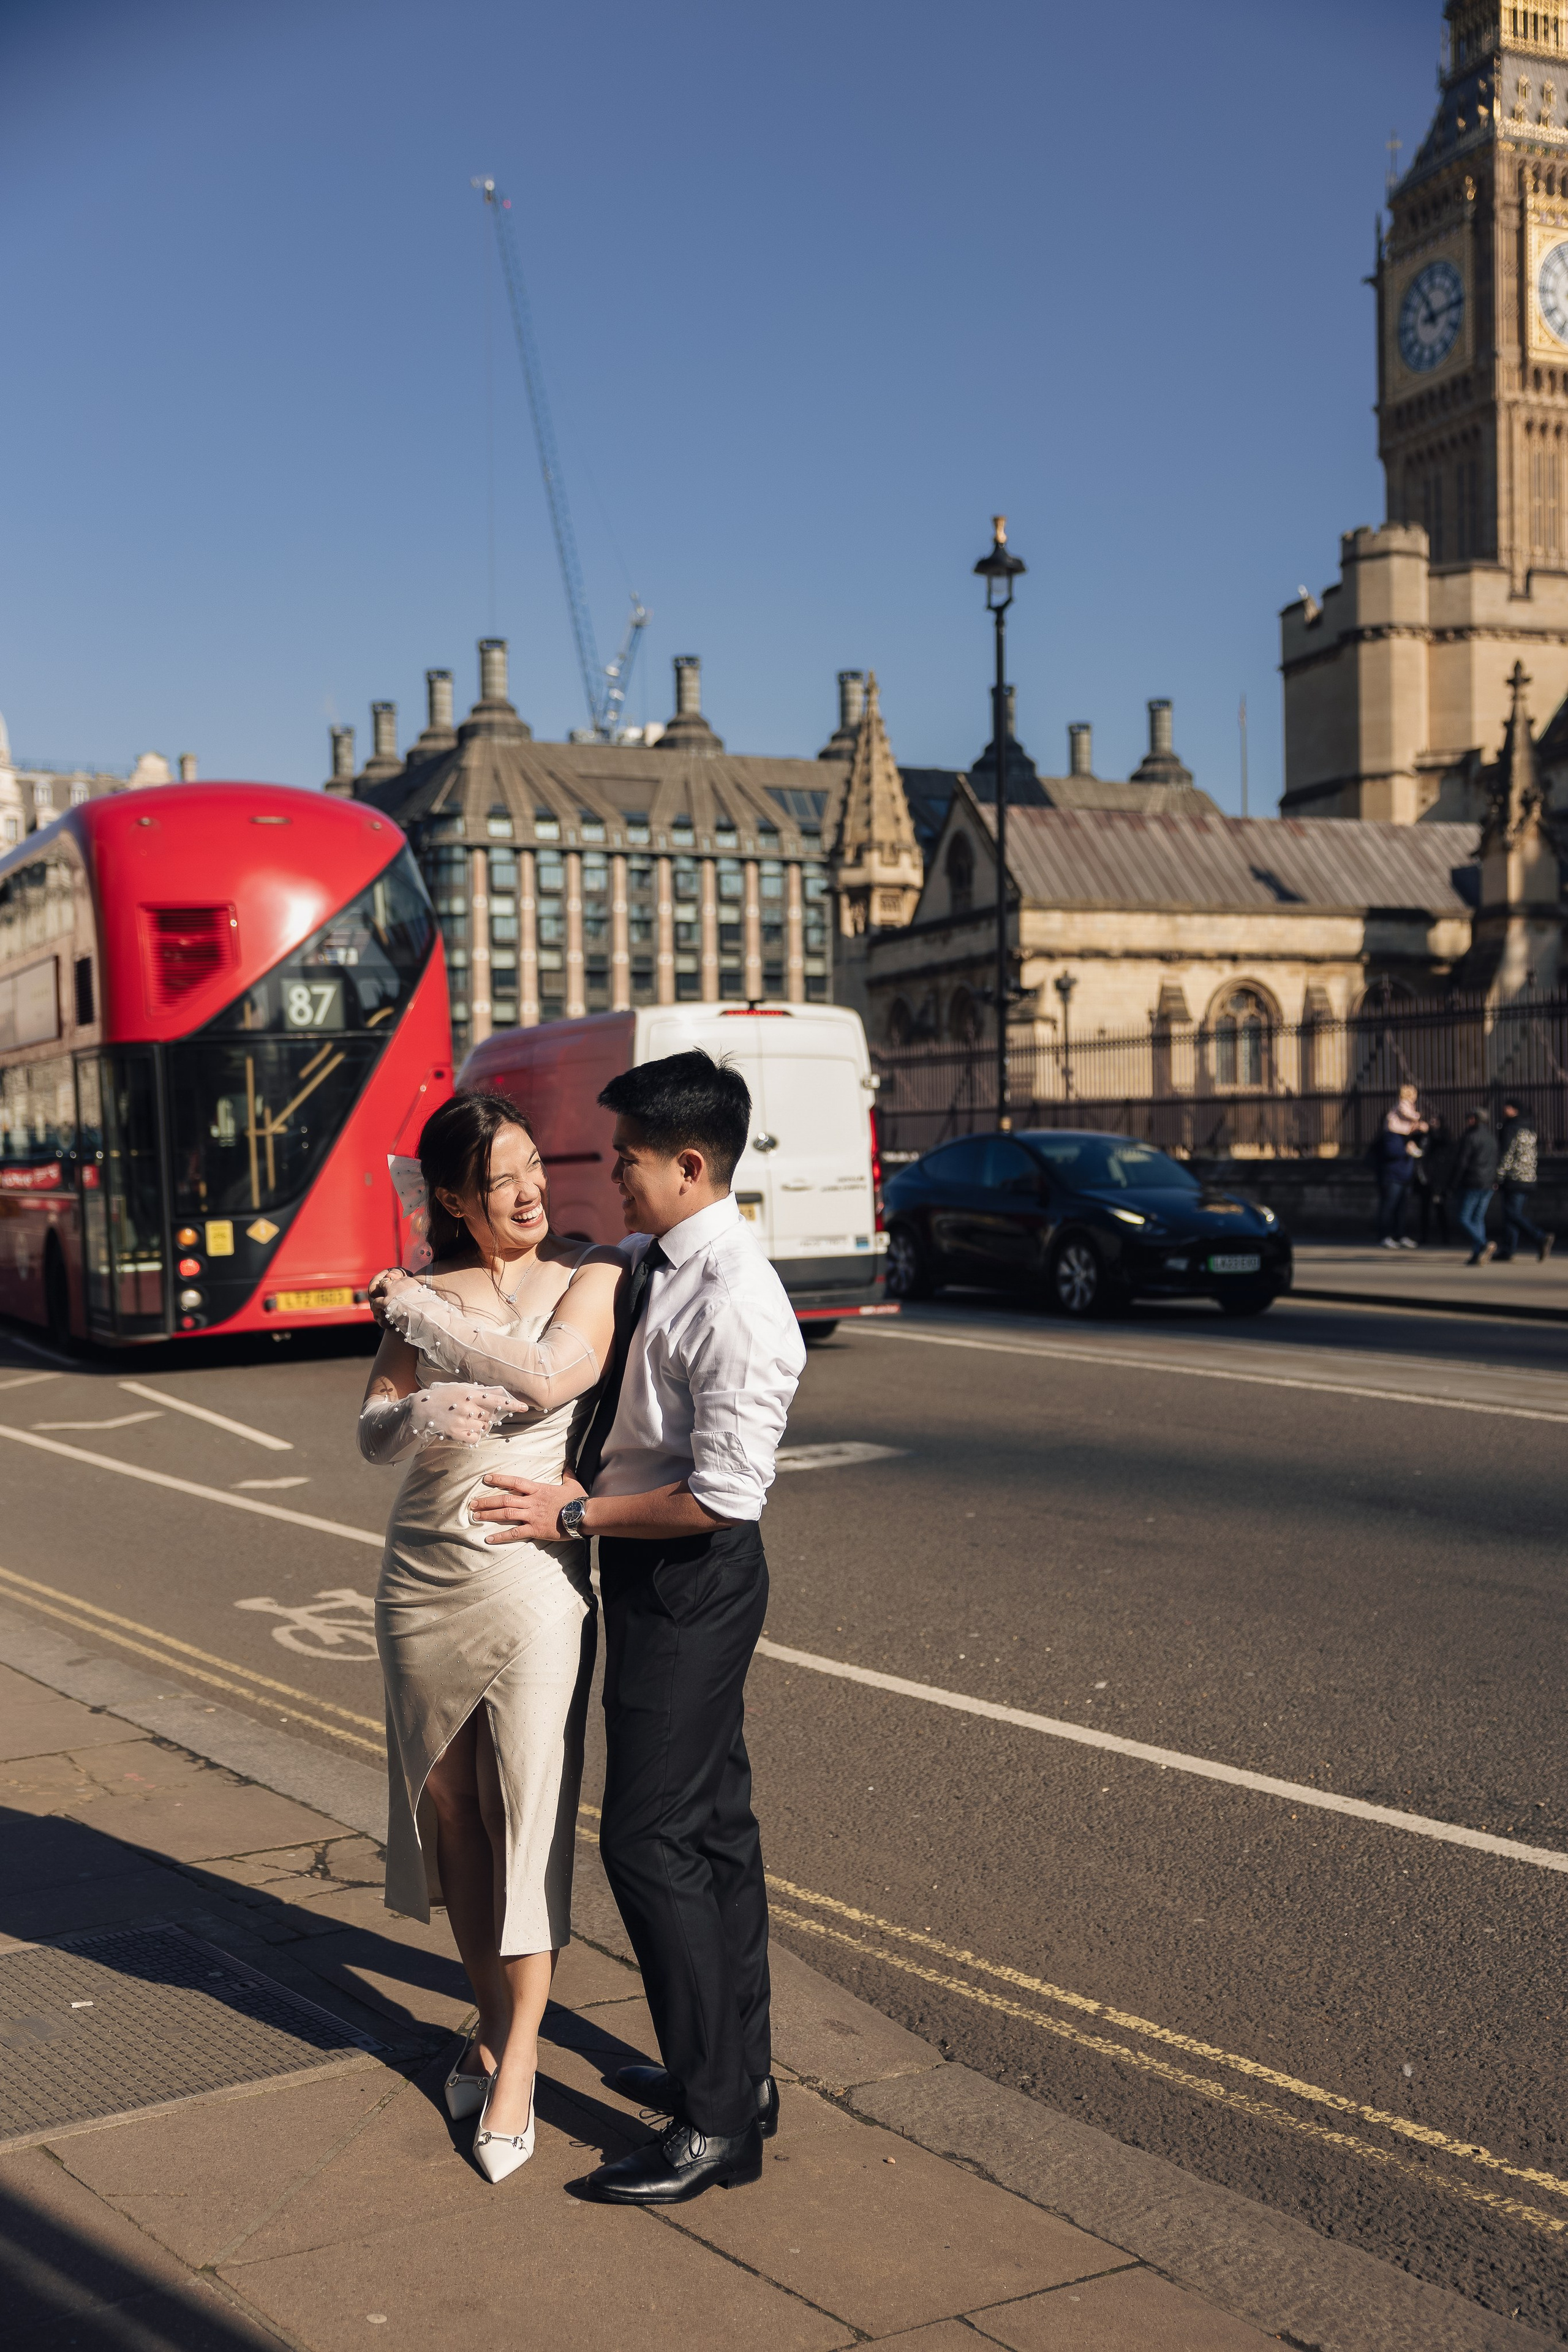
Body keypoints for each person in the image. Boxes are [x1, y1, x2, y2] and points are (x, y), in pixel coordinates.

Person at [470, 1050, 805, 2206]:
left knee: (649, 1842)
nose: (608, 1173)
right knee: (713, 1829)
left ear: (692, 1164)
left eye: (628, 1158)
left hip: (695, 1573)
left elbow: (721, 1498)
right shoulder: (655, 1258)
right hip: (660, 1571)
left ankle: (718, 2130)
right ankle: (734, 2077)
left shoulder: (738, 1304)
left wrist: (578, 1511)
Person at [360, 1091, 623, 2185]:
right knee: (453, 1808)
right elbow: (372, 1432)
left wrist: (424, 1316)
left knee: (529, 1812)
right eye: (501, 1178)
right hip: (422, 1574)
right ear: (457, 1199)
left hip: (531, 1576)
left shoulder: (590, 1277)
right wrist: (414, 1415)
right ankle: (486, 2016)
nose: (529, 1190)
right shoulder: (423, 1301)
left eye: (533, 1166)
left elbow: (549, 1379)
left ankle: (517, 2062)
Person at [1495, 1099, 1555, 1263]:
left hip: (1513, 1177)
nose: (1503, 1109)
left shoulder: (1510, 1128)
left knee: (1511, 1214)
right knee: (1512, 1214)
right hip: (1529, 1177)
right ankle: (1508, 1249)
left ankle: (1540, 1237)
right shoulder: (1530, 1128)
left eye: (1507, 1106)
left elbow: (1507, 1155)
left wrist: (1498, 1176)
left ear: (1514, 1109)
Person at [1374, 1083, 1428, 1249]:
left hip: (1405, 1176)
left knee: (1402, 1209)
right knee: (1389, 1207)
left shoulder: (1406, 1135)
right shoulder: (1392, 1134)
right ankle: (1385, 1236)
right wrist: (1407, 1151)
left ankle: (1400, 1235)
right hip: (1392, 1177)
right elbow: (1391, 1153)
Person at [1452, 1107, 1499, 1264]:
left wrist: (1454, 1182)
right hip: (1488, 1184)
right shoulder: (1491, 1138)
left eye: (1470, 1118)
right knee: (1478, 1218)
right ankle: (1477, 1254)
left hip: (1472, 1182)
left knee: (1463, 1218)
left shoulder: (1470, 1137)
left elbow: (1462, 1163)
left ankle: (1484, 1243)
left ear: (1474, 1119)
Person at [1411, 1111, 1455, 1248]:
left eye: (1435, 1122)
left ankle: (1445, 1236)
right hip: (1425, 1179)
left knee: (1440, 1209)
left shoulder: (1443, 1135)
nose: (1432, 1124)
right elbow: (1412, 1143)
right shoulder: (1424, 1137)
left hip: (1438, 1181)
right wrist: (1416, 1129)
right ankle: (1424, 1236)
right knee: (1424, 1210)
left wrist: (1431, 1131)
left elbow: (1441, 1142)